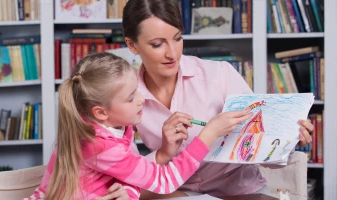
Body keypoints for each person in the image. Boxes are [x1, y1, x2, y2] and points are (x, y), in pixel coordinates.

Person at [122, 0, 314, 198]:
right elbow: (126, 172)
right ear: (132, 45)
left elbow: (260, 146)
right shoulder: (125, 96)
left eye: (178, 38)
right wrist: (163, 153)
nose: (172, 53)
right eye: (157, 44)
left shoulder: (218, 74)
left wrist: (288, 139)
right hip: (177, 192)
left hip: (239, 191)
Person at [27, 52, 253, 200]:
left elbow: (131, 174)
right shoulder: (97, 143)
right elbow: (164, 182)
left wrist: (162, 155)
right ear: (101, 112)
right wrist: (209, 133)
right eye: (130, 97)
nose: (141, 99)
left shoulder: (114, 128)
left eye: (137, 90)